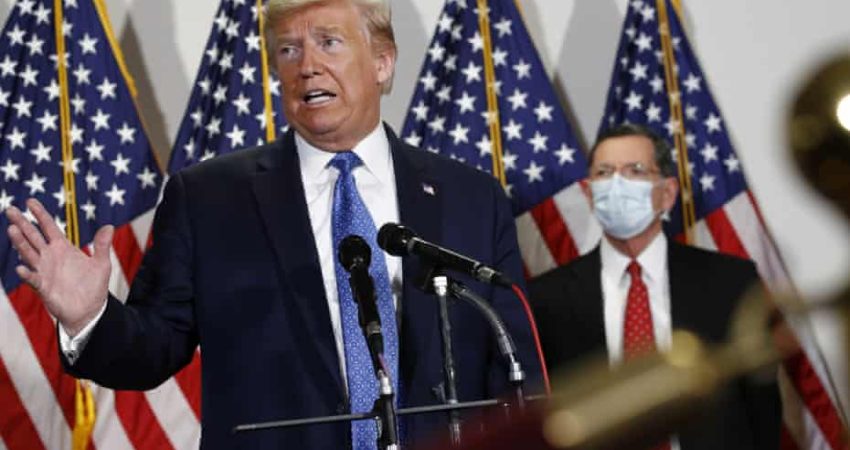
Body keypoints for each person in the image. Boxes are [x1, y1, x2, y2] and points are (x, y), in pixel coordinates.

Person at [4, 0, 541, 448]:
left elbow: (513, 365)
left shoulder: (471, 198)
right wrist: (90, 317)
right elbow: (153, 350)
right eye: (288, 50)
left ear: (382, 62)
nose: (307, 65)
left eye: (329, 42)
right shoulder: (208, 198)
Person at [529, 123, 781, 450]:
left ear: (667, 193)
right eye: (604, 172)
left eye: (634, 170)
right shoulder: (547, 299)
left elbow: (762, 410)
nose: (617, 184)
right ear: (589, 194)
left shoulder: (730, 281)